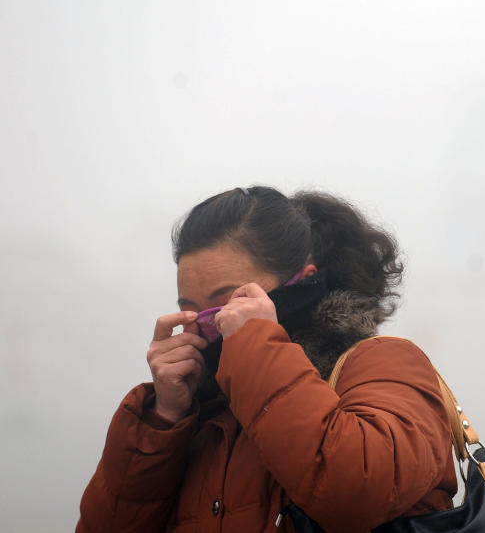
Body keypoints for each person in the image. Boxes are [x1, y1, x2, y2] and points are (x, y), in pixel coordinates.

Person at [77, 186, 457, 533]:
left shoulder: (384, 363)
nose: (215, 327)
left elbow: (358, 491)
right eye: (194, 315)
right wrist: (163, 418)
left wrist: (256, 347)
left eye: (229, 304)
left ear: (304, 280)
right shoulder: (200, 412)